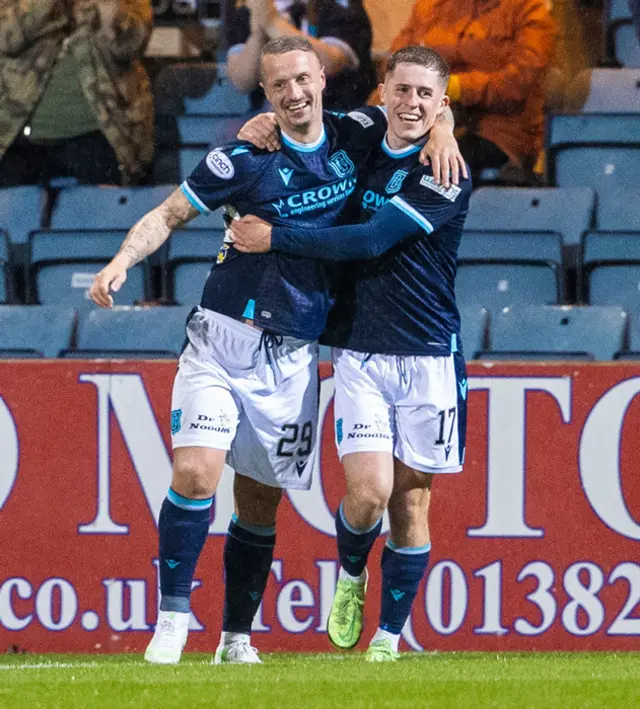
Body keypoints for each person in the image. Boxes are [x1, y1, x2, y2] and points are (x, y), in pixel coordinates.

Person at [89, 36, 459, 666]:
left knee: (259, 503)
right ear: (266, 94)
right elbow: (170, 213)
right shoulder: (243, 158)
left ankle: (236, 638)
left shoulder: (356, 132)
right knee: (196, 472)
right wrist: (122, 259)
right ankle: (173, 620)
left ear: (322, 81)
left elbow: (418, 101)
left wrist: (444, 129)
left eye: (301, 80)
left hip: (293, 354)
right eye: (279, 85)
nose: (292, 93)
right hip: (221, 337)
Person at [231, 45, 471, 662]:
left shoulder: (445, 169)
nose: (412, 104)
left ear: (441, 104)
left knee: (411, 502)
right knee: (367, 493)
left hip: (428, 351)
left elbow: (369, 240)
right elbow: (303, 118)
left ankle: (389, 638)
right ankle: (352, 575)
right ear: (382, 92)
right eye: (403, 90)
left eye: (427, 96)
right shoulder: (358, 134)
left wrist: (275, 238)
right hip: (362, 349)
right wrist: (263, 123)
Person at [385, 0, 556, 183]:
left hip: (497, 131)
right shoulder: (430, 6)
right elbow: (393, 61)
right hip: (424, 122)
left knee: (426, 168)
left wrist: (459, 87)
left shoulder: (528, 9)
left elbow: (521, 80)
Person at [0, 0, 154, 187]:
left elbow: (132, 43)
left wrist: (107, 9)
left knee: (104, 213)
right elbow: (5, 37)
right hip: (15, 139)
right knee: (14, 214)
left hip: (100, 137)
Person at [223, 0, 376, 110]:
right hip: (269, 116)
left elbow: (329, 63)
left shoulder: (339, 5)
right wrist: (258, 34)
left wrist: (271, 22)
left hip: (334, 115)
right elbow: (241, 81)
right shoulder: (247, 7)